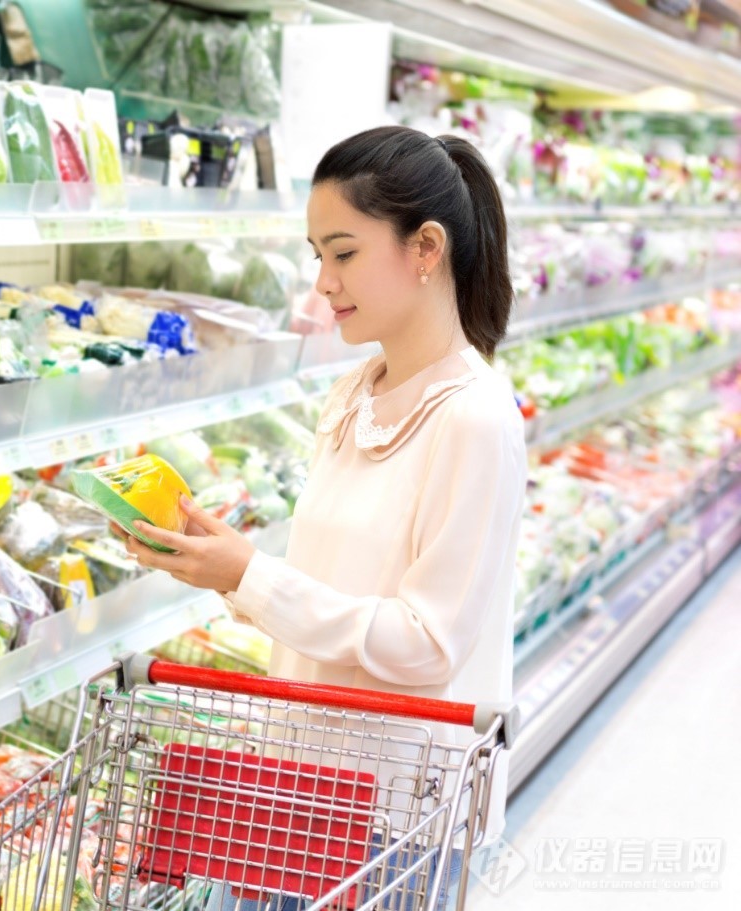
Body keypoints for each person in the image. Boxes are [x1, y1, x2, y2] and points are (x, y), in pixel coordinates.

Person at [122, 125, 526, 910]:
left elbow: (426, 643)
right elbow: (326, 589)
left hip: (396, 812)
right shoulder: (355, 394)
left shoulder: (475, 419)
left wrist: (253, 576)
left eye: (343, 253)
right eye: (318, 255)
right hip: (303, 780)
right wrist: (216, 566)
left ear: (425, 248)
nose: (322, 284)